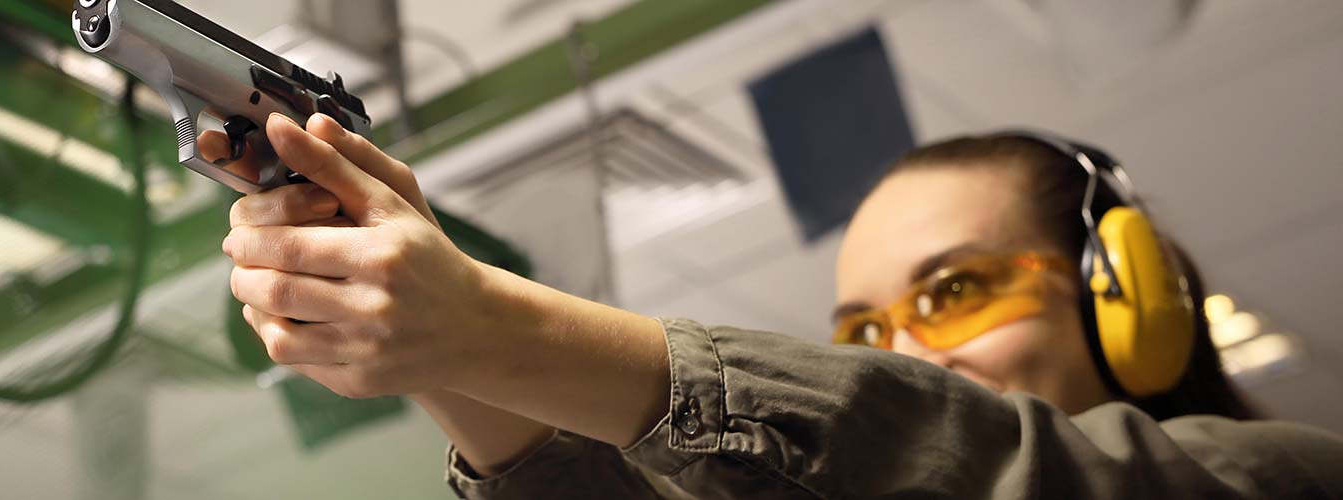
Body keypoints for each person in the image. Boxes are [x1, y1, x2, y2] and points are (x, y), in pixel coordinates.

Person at [205, 113, 1343, 499]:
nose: (903, 351)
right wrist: (443, 362)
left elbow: (1004, 470)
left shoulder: (1284, 475)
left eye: (952, 291)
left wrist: (489, 327)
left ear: (1125, 293)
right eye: (861, 334)